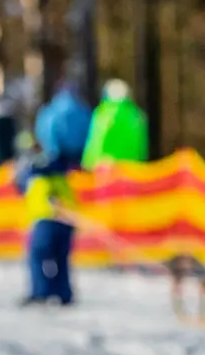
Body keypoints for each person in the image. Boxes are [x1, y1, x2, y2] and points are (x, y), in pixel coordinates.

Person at [15, 132, 80, 306]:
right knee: (60, 257)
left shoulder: (33, 170)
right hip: (66, 218)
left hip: (47, 218)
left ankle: (41, 292)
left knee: (38, 255)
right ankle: (63, 293)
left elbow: (20, 184)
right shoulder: (57, 165)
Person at [83, 78, 150, 169]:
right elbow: (142, 146)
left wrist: (88, 164)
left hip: (107, 169)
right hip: (131, 168)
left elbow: (96, 142)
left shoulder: (103, 113)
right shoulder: (136, 114)